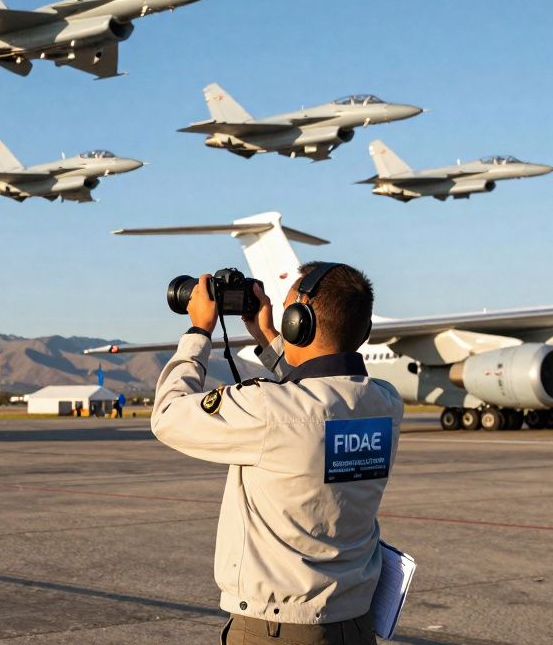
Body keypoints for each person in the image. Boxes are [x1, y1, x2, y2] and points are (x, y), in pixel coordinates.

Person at [152, 263, 403, 644]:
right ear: (363, 330)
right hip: (354, 623)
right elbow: (317, 390)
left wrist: (199, 330)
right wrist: (267, 335)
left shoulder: (268, 409)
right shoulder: (384, 403)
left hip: (278, 630)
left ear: (299, 323)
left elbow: (167, 415)